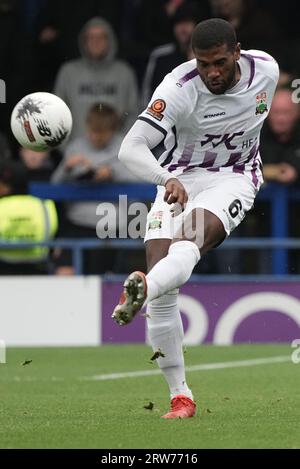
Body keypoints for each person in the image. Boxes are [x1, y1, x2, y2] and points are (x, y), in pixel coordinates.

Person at [111, 18, 279, 418]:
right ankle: (180, 396)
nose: (212, 73)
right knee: (164, 289)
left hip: (236, 178)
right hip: (178, 179)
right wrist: (164, 177)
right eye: (203, 64)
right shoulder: (179, 87)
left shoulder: (267, 71)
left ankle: (142, 289)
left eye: (219, 62)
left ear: (237, 51)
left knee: (188, 241)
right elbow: (130, 149)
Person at [51, 103, 138, 275]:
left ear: (113, 130)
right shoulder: (76, 146)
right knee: (64, 274)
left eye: (102, 133)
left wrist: (112, 173)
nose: (96, 137)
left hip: (111, 226)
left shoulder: (126, 147)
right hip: (76, 223)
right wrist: (67, 168)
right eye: (93, 131)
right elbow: (54, 184)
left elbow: (142, 177)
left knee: (106, 279)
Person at [54, 17, 139, 141]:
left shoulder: (124, 72)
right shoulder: (68, 72)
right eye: (91, 37)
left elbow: (134, 113)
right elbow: (56, 114)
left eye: (101, 37)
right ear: (83, 41)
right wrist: (67, 148)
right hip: (75, 153)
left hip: (115, 155)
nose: (96, 42)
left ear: (110, 40)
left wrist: (121, 149)